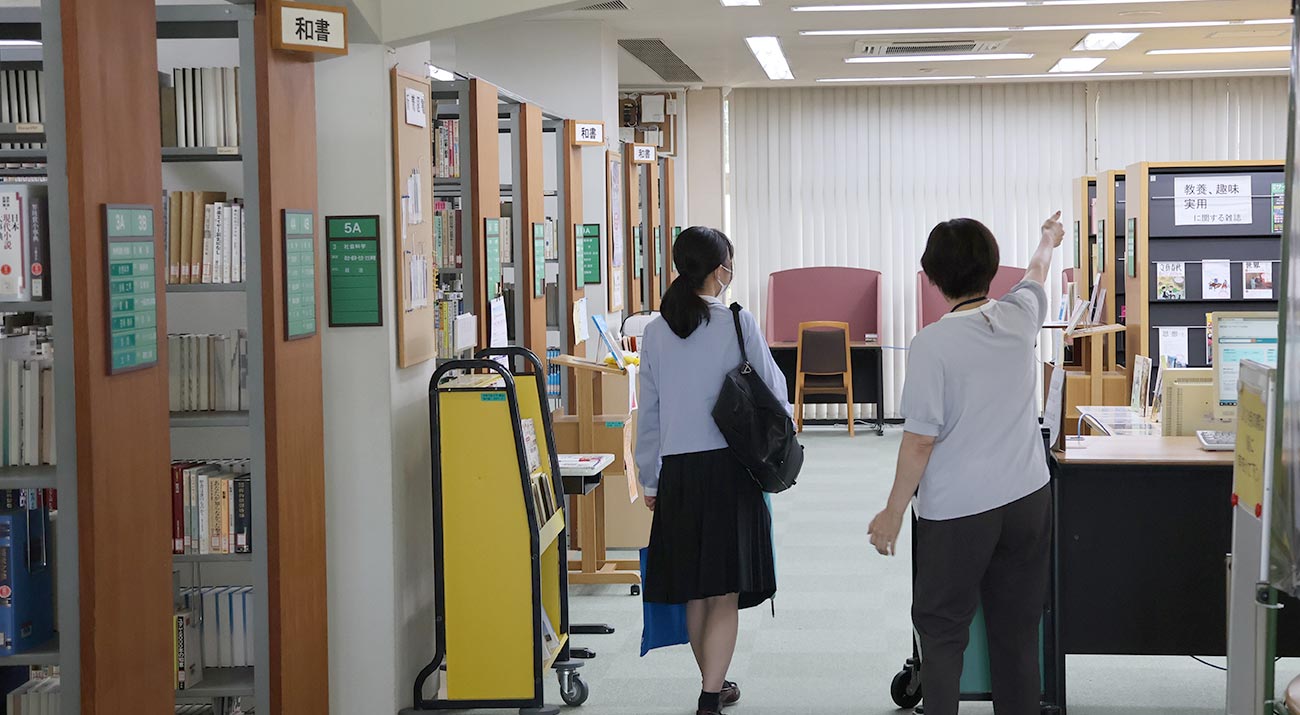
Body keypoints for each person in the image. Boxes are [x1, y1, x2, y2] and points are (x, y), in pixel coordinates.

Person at [868, 212, 1065, 715]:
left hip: (959, 513)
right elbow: (1038, 273)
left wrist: (892, 512)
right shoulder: (1021, 314)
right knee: (1017, 633)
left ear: (933, 278)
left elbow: (918, 442)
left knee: (942, 632)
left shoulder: (932, 344)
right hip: (1027, 499)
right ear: (992, 269)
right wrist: (1047, 240)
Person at [636, 226, 786, 715]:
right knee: (724, 591)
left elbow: (650, 415)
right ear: (720, 269)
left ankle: (712, 684)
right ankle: (709, 696)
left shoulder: (655, 332)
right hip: (729, 470)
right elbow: (775, 392)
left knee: (696, 591)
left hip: (678, 473)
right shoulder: (737, 325)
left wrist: (650, 479)